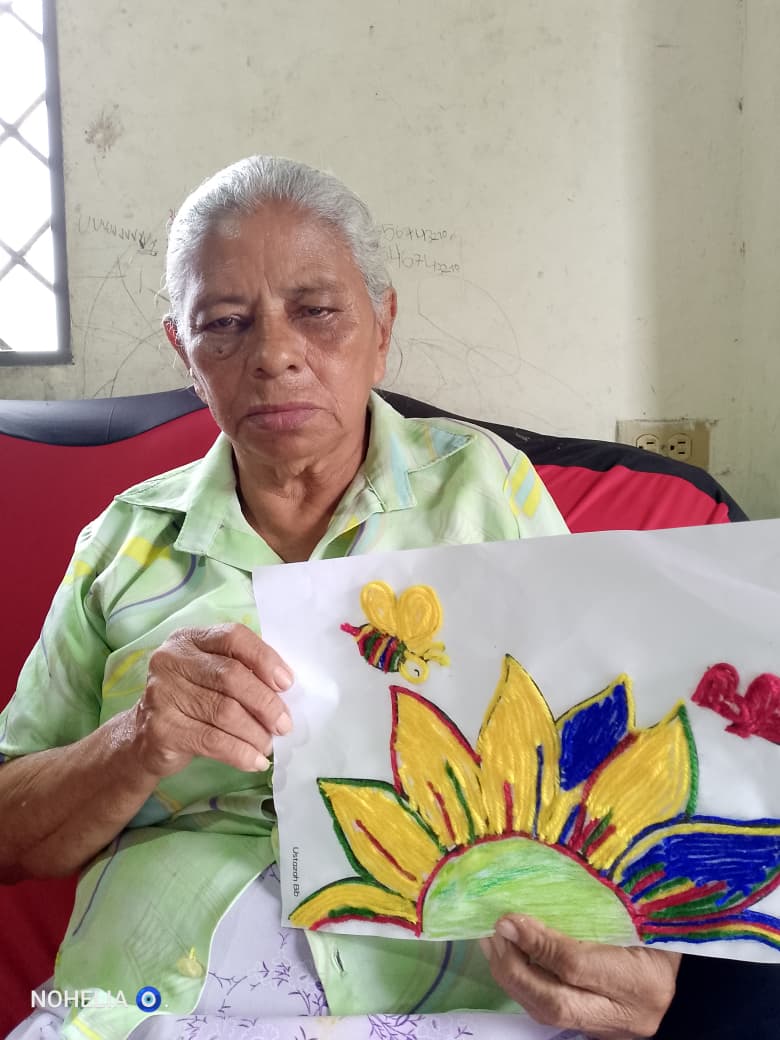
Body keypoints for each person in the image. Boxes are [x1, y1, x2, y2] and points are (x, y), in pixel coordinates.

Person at [0, 156, 679, 1040]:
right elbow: (10, 832)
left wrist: (648, 956)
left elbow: (615, 742)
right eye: (225, 324)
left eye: (317, 311)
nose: (274, 354)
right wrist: (138, 740)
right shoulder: (125, 543)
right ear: (184, 353)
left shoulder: (485, 489)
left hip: (450, 991)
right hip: (153, 1001)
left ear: (382, 325)